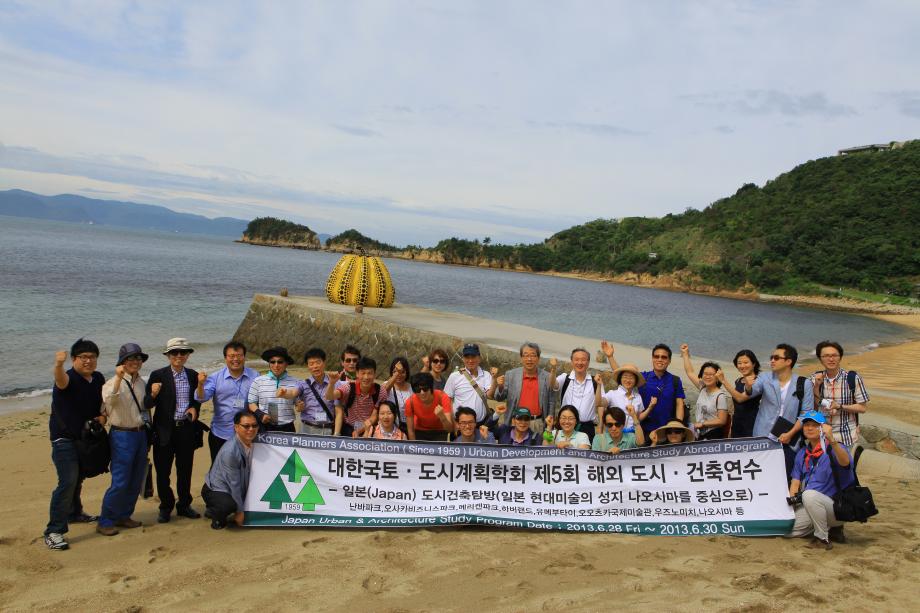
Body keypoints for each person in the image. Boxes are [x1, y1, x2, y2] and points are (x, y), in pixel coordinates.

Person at [44, 339, 106, 550]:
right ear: (74, 359)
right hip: (64, 438)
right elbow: (61, 381)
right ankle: (54, 531)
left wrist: (102, 416)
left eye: (92, 357)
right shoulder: (68, 377)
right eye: (83, 357)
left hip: (84, 438)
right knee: (67, 481)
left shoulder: (97, 378)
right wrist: (58, 365)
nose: (88, 361)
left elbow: (101, 404)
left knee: (78, 477)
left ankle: (74, 513)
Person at [720, 343, 814, 476]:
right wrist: (748, 386)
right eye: (771, 357)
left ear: (788, 361)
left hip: (788, 439)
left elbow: (806, 413)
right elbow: (751, 392)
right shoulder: (764, 377)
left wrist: (791, 433)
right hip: (762, 437)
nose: (772, 360)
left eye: (776, 358)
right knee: (759, 475)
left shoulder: (804, 383)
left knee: (785, 476)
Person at [144, 338, 203, 523]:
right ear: (168, 355)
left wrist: (195, 408)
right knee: (162, 472)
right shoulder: (157, 375)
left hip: (186, 429)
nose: (178, 356)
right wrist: (153, 393)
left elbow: (197, 399)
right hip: (163, 431)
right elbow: (146, 404)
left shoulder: (193, 375)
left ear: (188, 355)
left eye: (182, 352)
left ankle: (184, 505)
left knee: (185, 470)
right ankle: (165, 506)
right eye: (174, 353)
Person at [97, 343, 150, 537]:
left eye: (138, 358)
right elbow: (109, 402)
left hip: (140, 433)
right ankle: (106, 520)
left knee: (136, 478)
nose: (135, 362)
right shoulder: (112, 382)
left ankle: (124, 515)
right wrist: (119, 378)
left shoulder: (142, 382)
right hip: (121, 434)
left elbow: (145, 408)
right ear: (122, 362)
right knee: (120, 480)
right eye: (130, 358)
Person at [786, 411, 854, 549]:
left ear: (823, 428)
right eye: (806, 425)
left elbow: (845, 463)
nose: (810, 428)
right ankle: (821, 526)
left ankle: (822, 538)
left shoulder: (835, 447)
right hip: (810, 505)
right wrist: (790, 508)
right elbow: (795, 483)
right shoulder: (802, 453)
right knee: (786, 530)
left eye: (815, 425)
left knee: (809, 494)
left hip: (836, 507)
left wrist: (832, 440)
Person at [194, 341, 259, 462]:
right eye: (231, 356)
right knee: (219, 472)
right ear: (225, 358)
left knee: (246, 470)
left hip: (246, 433)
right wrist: (200, 384)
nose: (236, 359)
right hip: (220, 433)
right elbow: (201, 398)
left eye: (239, 355)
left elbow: (260, 400)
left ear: (244, 357)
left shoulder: (254, 376)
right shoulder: (215, 377)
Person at [202, 410, 259, 530]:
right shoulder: (230, 451)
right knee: (227, 506)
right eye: (246, 426)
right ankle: (216, 516)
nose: (251, 429)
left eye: (254, 425)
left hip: (238, 483)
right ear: (236, 427)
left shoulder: (256, 443)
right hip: (217, 488)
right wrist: (240, 512)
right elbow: (234, 484)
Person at [811, 341, 869, 447]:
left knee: (845, 463)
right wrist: (816, 387)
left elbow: (862, 408)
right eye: (826, 356)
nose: (831, 359)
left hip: (846, 437)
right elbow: (813, 408)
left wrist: (839, 406)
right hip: (821, 437)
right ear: (820, 359)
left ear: (840, 357)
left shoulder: (852, 378)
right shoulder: (815, 378)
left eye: (834, 355)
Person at [493, 342, 558, 433]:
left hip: (537, 423)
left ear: (538, 358)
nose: (529, 359)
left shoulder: (547, 377)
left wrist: (550, 419)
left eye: (533, 355)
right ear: (521, 358)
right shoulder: (511, 375)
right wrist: (500, 386)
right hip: (515, 422)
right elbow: (498, 397)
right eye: (526, 355)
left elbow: (552, 399)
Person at [276, 347, 336, 435]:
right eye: (311, 364)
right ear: (308, 366)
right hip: (307, 429)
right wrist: (284, 393)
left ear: (324, 363)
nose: (315, 366)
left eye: (318, 362)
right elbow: (293, 392)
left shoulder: (334, 383)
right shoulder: (303, 384)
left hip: (327, 429)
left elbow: (339, 408)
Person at [679, 346, 730, 440]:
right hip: (700, 433)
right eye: (705, 374)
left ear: (717, 377)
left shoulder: (720, 396)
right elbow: (690, 372)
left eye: (711, 374)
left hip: (714, 434)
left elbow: (722, 420)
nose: (707, 376)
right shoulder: (702, 388)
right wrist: (685, 354)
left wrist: (703, 424)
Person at [555, 348, 603, 443]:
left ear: (588, 362)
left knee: (586, 455)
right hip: (566, 424)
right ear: (572, 361)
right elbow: (553, 385)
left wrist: (599, 385)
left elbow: (599, 404)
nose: (580, 362)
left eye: (583, 360)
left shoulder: (595, 381)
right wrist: (553, 369)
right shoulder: (565, 378)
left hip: (587, 427)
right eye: (576, 359)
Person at [326, 356, 382, 437]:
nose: (366, 377)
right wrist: (331, 383)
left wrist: (360, 431)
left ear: (375, 374)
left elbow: (374, 416)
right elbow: (329, 397)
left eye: (369, 373)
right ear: (357, 374)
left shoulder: (380, 391)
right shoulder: (348, 387)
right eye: (363, 373)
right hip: (348, 429)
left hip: (368, 430)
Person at [248, 346, 300, 432]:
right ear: (269, 363)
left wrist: (300, 406)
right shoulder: (258, 381)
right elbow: (251, 403)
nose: (276, 365)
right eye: (272, 362)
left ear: (286, 364)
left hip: (287, 427)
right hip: (264, 426)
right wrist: (260, 415)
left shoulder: (296, 382)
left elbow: (298, 405)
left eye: (280, 362)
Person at [443, 343, 495, 425]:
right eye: (467, 357)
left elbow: (490, 395)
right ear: (463, 359)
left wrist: (494, 379)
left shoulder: (486, 375)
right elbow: (446, 398)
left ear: (479, 358)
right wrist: (453, 422)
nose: (470, 361)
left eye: (473, 357)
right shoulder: (455, 376)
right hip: (460, 425)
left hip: (481, 425)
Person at [597, 363, 646, 435]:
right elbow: (599, 403)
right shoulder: (612, 394)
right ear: (620, 378)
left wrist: (650, 407)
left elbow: (638, 417)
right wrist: (599, 385)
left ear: (635, 380)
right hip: (613, 433)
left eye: (631, 378)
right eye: (625, 377)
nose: (628, 380)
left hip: (631, 435)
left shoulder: (638, 397)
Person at [405, 372, 453, 441]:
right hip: (420, 431)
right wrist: (415, 447)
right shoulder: (410, 402)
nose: (422, 393)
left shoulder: (442, 397)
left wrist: (442, 417)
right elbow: (410, 430)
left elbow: (449, 429)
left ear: (431, 388)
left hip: (439, 431)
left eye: (425, 389)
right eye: (417, 390)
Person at [729, 349, 762, 438]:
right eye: (739, 363)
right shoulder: (738, 381)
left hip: (752, 425)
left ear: (754, 364)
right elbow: (735, 406)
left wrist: (723, 381)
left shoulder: (758, 381)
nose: (742, 366)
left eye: (746, 362)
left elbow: (740, 399)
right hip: (736, 424)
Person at [381, 357, 412, 429]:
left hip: (406, 426)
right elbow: (383, 392)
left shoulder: (411, 387)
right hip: (389, 426)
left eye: (402, 372)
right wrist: (397, 373)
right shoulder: (387, 384)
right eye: (395, 371)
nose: (399, 375)